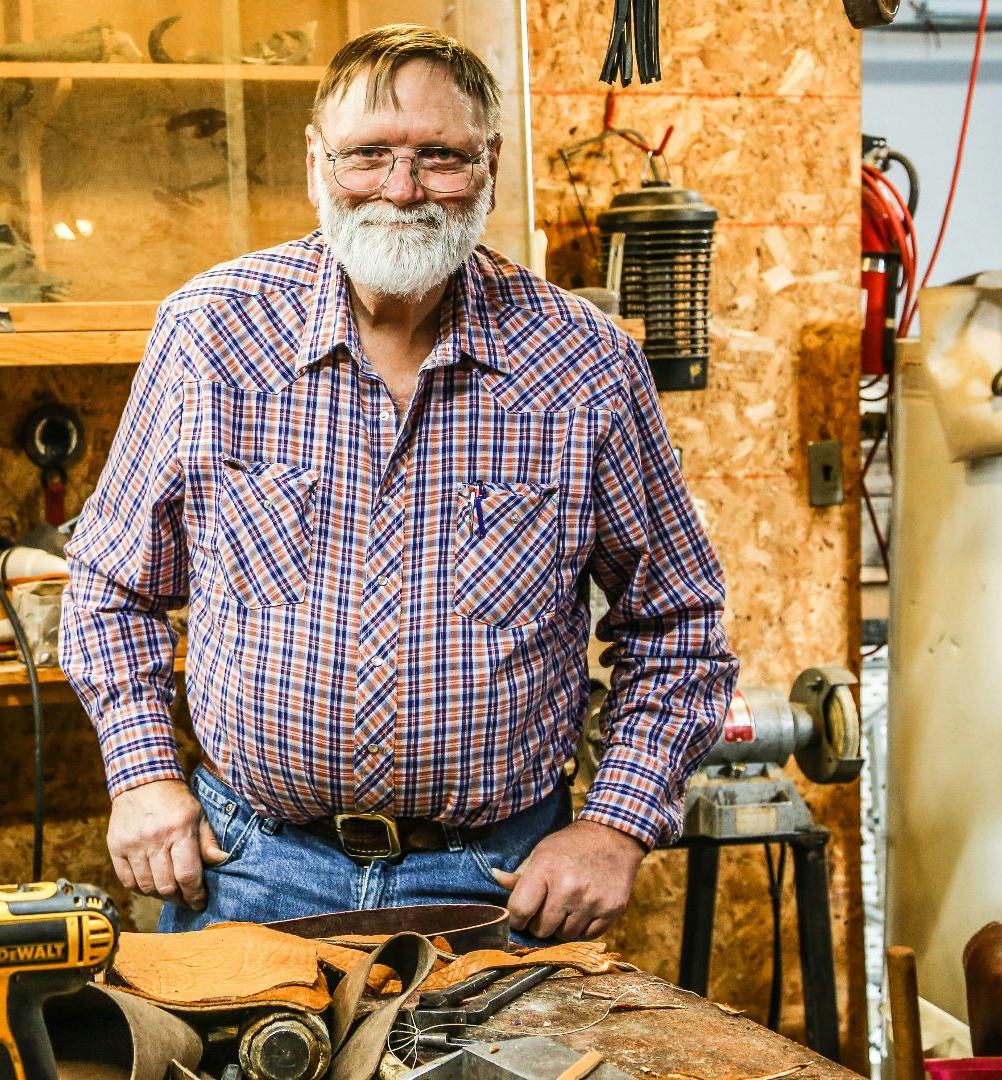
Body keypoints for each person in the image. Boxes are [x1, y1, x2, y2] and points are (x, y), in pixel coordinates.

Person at [59, 24, 738, 943]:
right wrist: (142, 775)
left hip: (496, 884)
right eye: (368, 154)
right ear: (315, 163)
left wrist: (615, 824)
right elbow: (110, 587)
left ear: (490, 163)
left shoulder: (585, 368)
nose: (403, 189)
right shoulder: (210, 336)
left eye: (441, 158)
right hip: (250, 873)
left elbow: (678, 624)